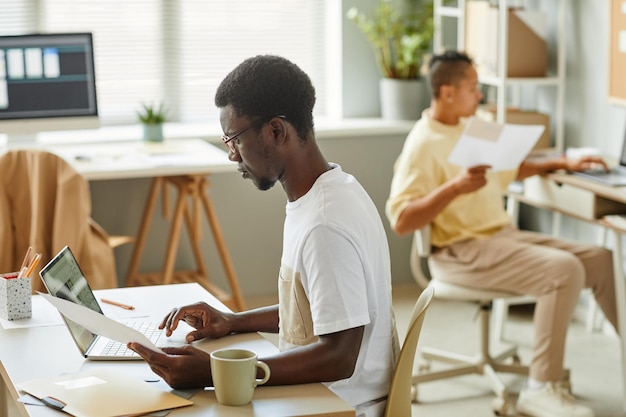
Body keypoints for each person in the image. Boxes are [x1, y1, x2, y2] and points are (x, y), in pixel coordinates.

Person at [130, 55, 399, 417]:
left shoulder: (324, 223)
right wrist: (233, 321)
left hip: (339, 405)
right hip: (324, 395)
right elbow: (322, 313)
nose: (231, 155)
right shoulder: (332, 190)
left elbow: (339, 357)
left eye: (235, 140)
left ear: (276, 131)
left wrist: (214, 372)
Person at [385, 50, 618, 417]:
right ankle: (540, 389)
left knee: (601, 260)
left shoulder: (470, 125)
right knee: (564, 270)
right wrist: (455, 188)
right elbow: (401, 221)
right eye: (474, 88)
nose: (480, 95)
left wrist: (562, 162)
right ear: (448, 92)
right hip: (460, 252)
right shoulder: (423, 144)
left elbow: (509, 168)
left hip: (501, 239)